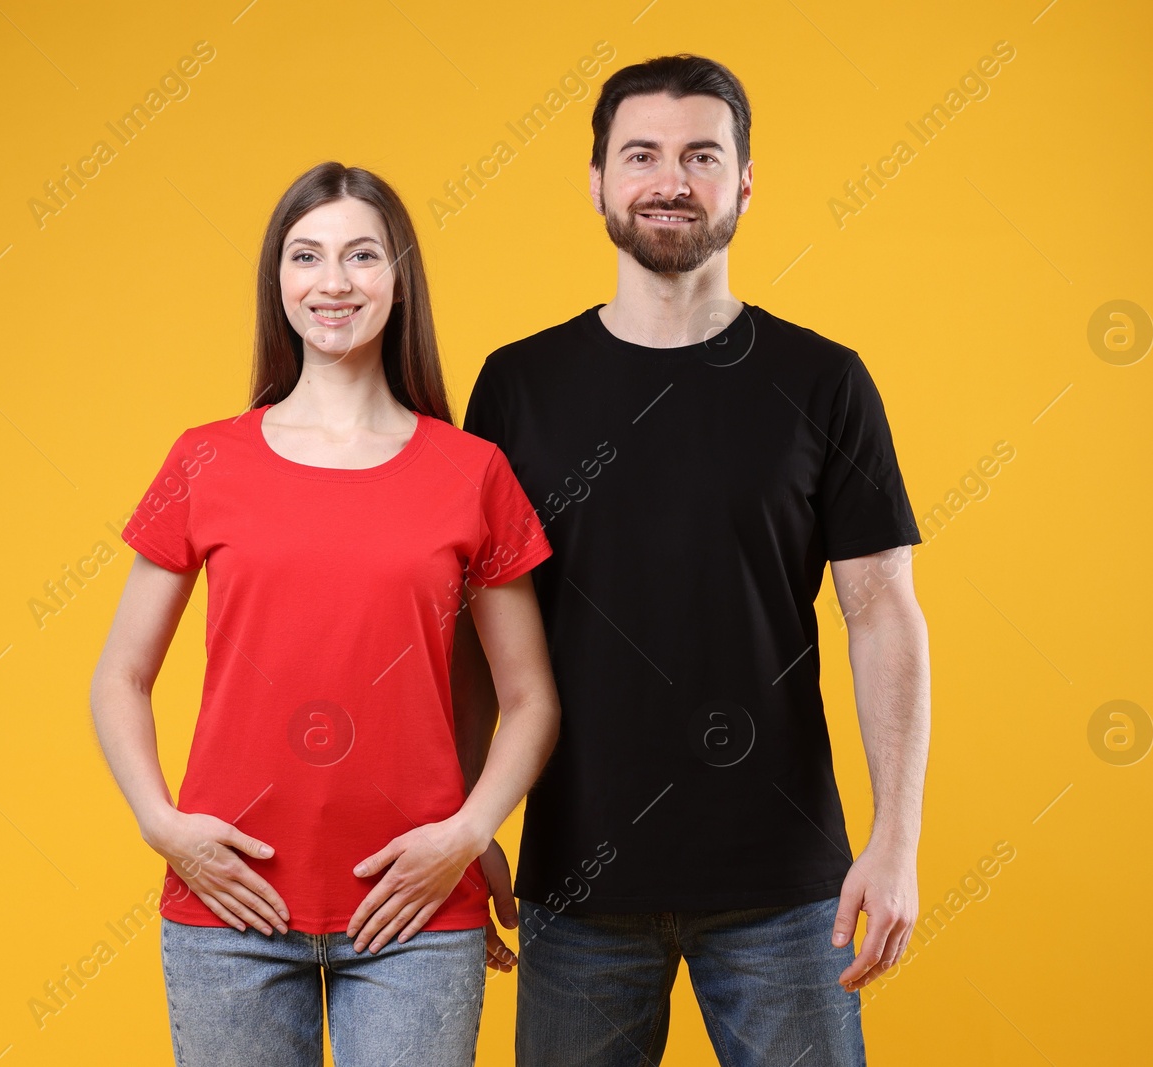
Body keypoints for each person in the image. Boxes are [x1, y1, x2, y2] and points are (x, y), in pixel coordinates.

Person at [458, 54, 932, 1066]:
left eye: (699, 156)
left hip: (787, 888)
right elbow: (477, 624)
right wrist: (467, 815)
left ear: (745, 181)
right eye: (641, 154)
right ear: (596, 183)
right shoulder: (517, 386)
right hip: (576, 881)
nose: (669, 179)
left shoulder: (823, 380)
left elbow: (882, 611)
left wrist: (896, 840)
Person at [89, 161, 561, 1067]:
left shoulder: (473, 471)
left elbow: (531, 698)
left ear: (399, 278)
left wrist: (466, 835)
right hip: (229, 904)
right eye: (306, 256)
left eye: (361, 256)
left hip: (416, 909)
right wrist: (163, 824)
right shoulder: (204, 460)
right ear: (278, 281)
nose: (333, 282)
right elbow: (121, 675)